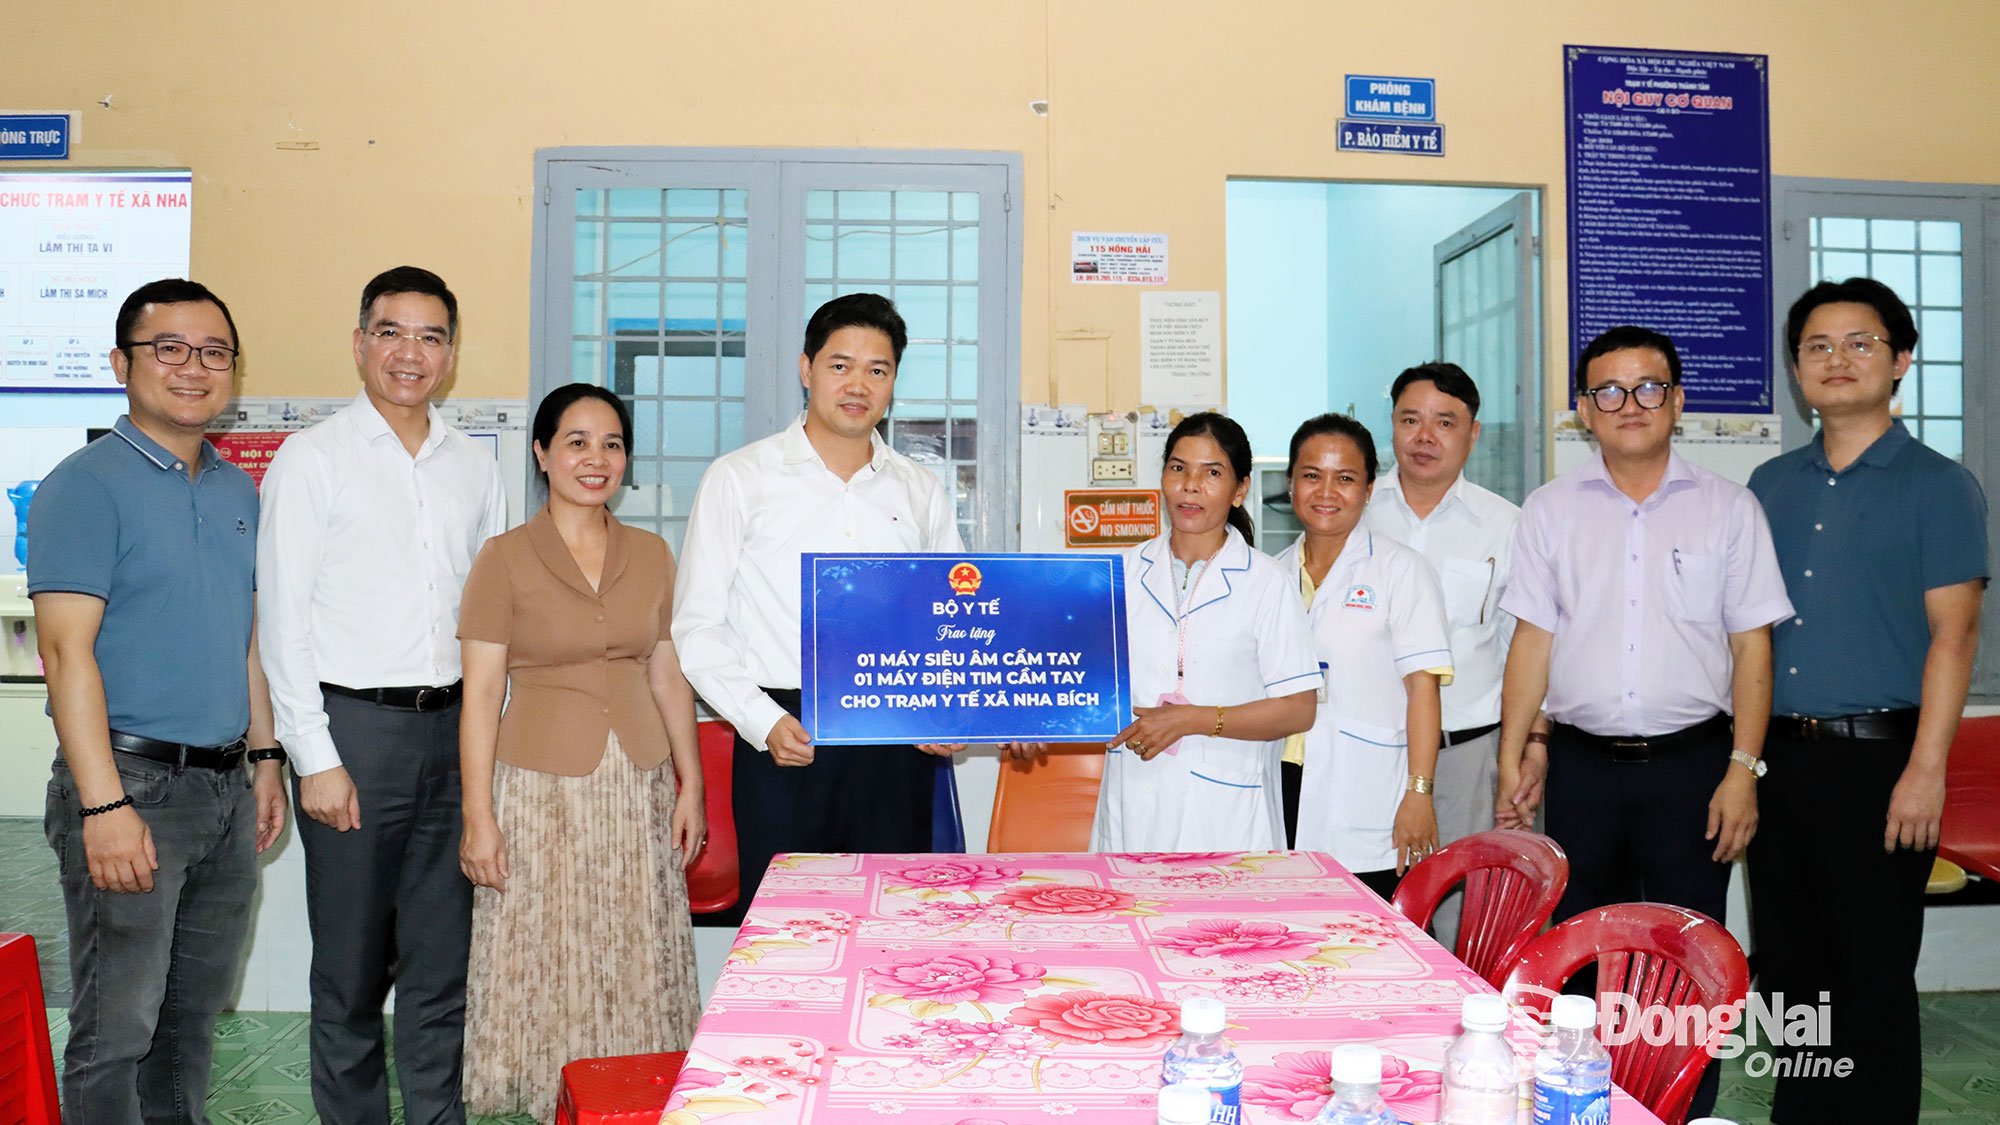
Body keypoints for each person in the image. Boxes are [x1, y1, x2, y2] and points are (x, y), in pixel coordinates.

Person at [1495, 325, 1792, 1117]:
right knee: (1583, 960)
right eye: (1610, 391)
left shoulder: (1730, 508)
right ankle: (1585, 1105)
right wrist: (1517, 747)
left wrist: (1744, 768)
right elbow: (1533, 640)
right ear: (1584, 410)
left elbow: (1751, 648)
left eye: (1650, 387)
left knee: (1690, 965)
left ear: (1678, 400)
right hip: (1584, 769)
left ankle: (1686, 1112)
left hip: (1695, 770)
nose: (1631, 404)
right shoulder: (1551, 510)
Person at [30, 278, 287, 1120]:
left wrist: (263, 758)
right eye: (168, 348)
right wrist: (103, 802)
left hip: (222, 789)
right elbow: (66, 653)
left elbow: (242, 636)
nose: (193, 367)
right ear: (121, 363)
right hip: (130, 785)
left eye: (214, 352)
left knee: (189, 1026)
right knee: (117, 1029)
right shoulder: (85, 484)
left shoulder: (235, 488)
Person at [258, 266, 506, 1125]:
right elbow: (281, 622)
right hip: (354, 735)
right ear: (361, 342)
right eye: (392, 332)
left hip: (454, 734)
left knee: (443, 966)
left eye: (431, 336)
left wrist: (490, 743)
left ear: (452, 352)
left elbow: (490, 618)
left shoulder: (475, 466)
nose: (411, 352)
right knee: (353, 971)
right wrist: (314, 758)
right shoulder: (312, 458)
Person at [1747, 278, 1988, 1123]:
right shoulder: (1769, 483)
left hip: (1883, 764)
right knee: (1787, 973)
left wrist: (1927, 772)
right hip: (1778, 762)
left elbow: (1954, 639)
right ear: (1796, 369)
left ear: (1900, 361)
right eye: (1817, 346)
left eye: (1860, 343)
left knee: (1872, 975)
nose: (1837, 360)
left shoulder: (1937, 485)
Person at [455, 383, 704, 1118]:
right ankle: (550, 1092)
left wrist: (690, 783)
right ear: (541, 452)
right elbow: (479, 696)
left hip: (639, 783)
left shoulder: (653, 552)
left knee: (634, 942)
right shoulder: (502, 558)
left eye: (612, 444)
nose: (596, 459)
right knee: (550, 946)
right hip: (537, 788)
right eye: (577, 441)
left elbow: (667, 671)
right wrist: (478, 815)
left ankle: (635, 1084)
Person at [672, 293, 961, 914]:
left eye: (877, 370)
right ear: (806, 369)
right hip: (784, 735)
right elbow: (696, 626)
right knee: (786, 936)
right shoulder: (741, 478)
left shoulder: (920, 490)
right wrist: (760, 720)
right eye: (840, 365)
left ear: (893, 383)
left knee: (892, 927)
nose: (858, 384)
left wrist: (949, 712)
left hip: (895, 737)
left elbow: (949, 623)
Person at [1092, 411, 1318, 851]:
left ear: (1240, 489)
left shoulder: (1266, 582)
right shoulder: (1119, 572)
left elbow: (1298, 709)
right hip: (1132, 796)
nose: (1190, 485)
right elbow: (1081, 681)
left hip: (1228, 807)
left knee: (1220, 921)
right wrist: (1033, 722)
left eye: (1212, 472)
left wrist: (1195, 719)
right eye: (1178, 468)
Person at [1361, 363, 1520, 936]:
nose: (1424, 437)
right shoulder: (1352, 514)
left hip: (1468, 758)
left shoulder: (1507, 527)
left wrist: (1527, 749)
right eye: (1410, 420)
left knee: (1463, 923)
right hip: (1366, 755)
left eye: (1444, 422)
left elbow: (1520, 648)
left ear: (1472, 433)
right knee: (1368, 914)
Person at [1277, 413, 1452, 899]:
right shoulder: (1270, 577)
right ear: (1291, 484)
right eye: (1312, 475)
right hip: (1282, 779)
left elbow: (1423, 689)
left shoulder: (1402, 571)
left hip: (1367, 787)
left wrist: (1419, 791)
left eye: (1346, 478)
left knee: (1378, 936)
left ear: (1370, 489)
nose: (1326, 491)